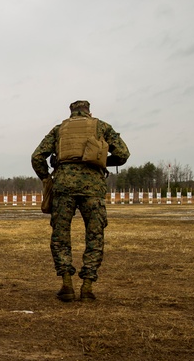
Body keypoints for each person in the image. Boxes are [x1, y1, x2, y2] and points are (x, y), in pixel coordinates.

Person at [31, 100, 129, 301]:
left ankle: (67, 284)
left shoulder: (59, 130)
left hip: (64, 187)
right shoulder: (101, 126)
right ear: (88, 112)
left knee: (61, 236)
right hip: (92, 188)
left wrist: (46, 177)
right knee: (94, 236)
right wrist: (100, 161)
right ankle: (87, 286)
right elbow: (123, 154)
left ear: (72, 113)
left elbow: (37, 157)